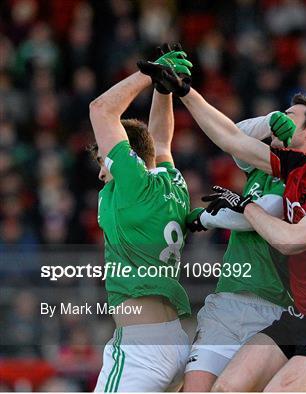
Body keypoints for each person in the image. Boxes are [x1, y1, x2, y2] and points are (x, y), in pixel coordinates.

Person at [138, 58, 306, 391]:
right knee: (223, 389)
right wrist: (185, 92)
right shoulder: (300, 166)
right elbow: (232, 138)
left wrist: (245, 207)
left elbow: (290, 241)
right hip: (297, 318)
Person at [182, 95, 306, 392]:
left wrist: (207, 218)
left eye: (290, 115)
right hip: (228, 300)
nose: (281, 118)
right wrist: (268, 121)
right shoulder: (262, 167)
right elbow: (234, 138)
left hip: (272, 309)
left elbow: (257, 216)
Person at [88, 44, 193, 392]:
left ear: (127, 157)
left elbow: (101, 110)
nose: (102, 173)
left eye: (104, 160)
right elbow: (160, 143)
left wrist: (149, 74)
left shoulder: (132, 187)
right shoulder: (173, 185)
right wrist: (164, 92)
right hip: (175, 339)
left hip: (140, 348)